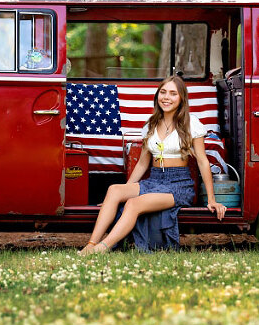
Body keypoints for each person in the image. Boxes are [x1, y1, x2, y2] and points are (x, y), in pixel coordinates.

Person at [79, 76, 227, 255]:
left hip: (178, 185)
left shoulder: (191, 122)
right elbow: (142, 163)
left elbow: (203, 161)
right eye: (163, 92)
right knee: (114, 190)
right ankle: (91, 243)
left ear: (181, 98)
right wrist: (123, 193)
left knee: (133, 204)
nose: (166, 97)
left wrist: (211, 199)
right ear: (157, 96)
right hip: (155, 179)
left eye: (173, 93)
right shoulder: (151, 124)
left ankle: (103, 248)